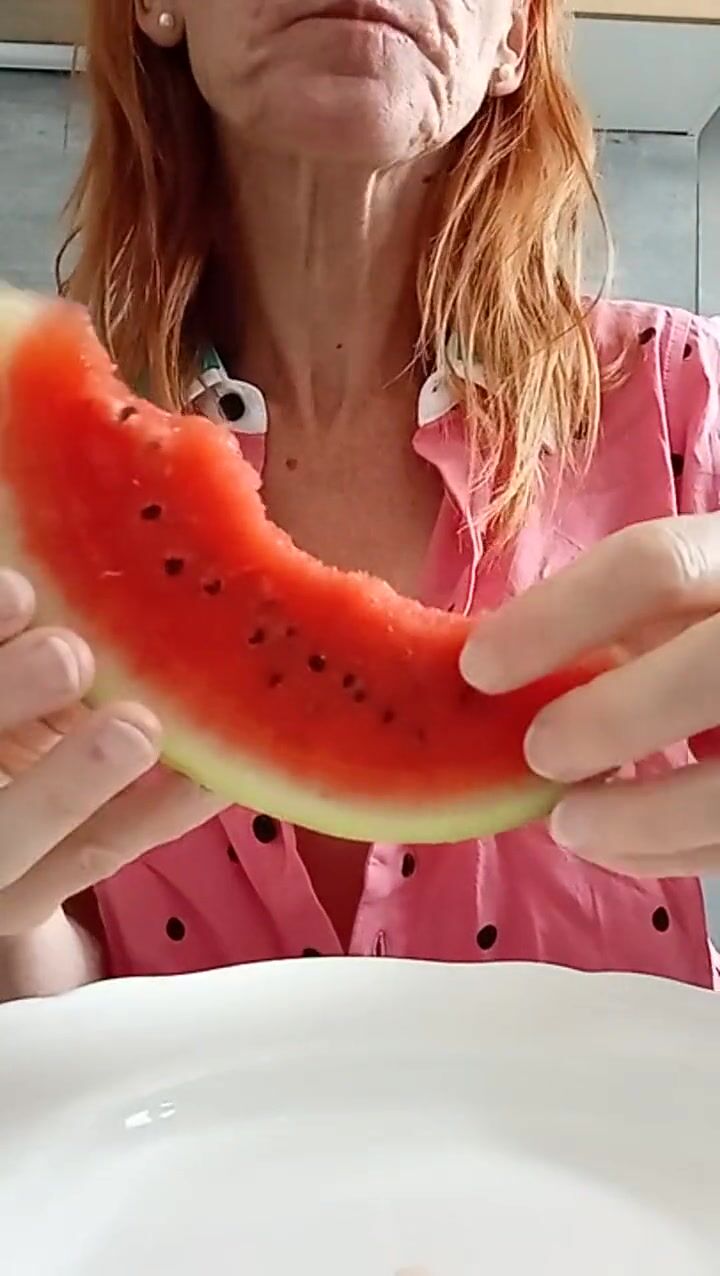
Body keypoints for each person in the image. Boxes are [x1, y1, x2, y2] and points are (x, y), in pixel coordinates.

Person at [1, 0, 720, 1003]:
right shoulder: (25, 468)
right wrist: (13, 922)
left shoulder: (688, 394)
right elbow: (63, 989)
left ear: (515, 37)